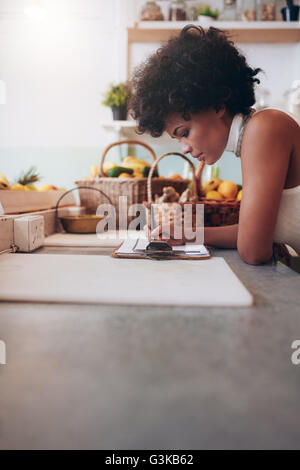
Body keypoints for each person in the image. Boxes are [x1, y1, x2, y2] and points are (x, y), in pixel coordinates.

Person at [129, 25, 300, 267]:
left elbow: (253, 250)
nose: (185, 148)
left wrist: (194, 233)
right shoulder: (256, 131)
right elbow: (253, 234)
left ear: (217, 106)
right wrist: (188, 233)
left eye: (184, 133)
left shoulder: (264, 129)